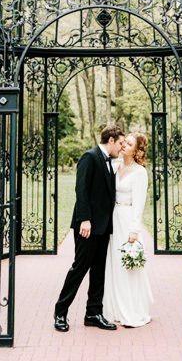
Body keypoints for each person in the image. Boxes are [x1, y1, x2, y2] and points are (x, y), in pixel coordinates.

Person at [53, 125, 126, 332]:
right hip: (87, 226)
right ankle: (60, 312)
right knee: (79, 269)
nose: (122, 147)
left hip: (103, 227)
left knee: (98, 271)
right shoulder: (89, 157)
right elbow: (81, 189)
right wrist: (84, 219)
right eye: (120, 143)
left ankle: (93, 313)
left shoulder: (110, 161)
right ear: (110, 141)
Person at [103, 132, 153, 327]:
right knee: (114, 263)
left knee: (127, 264)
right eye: (124, 142)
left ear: (137, 150)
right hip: (114, 218)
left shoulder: (140, 172)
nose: (123, 145)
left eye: (129, 144)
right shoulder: (116, 166)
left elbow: (139, 204)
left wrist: (134, 230)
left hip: (127, 220)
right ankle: (115, 307)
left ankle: (132, 309)